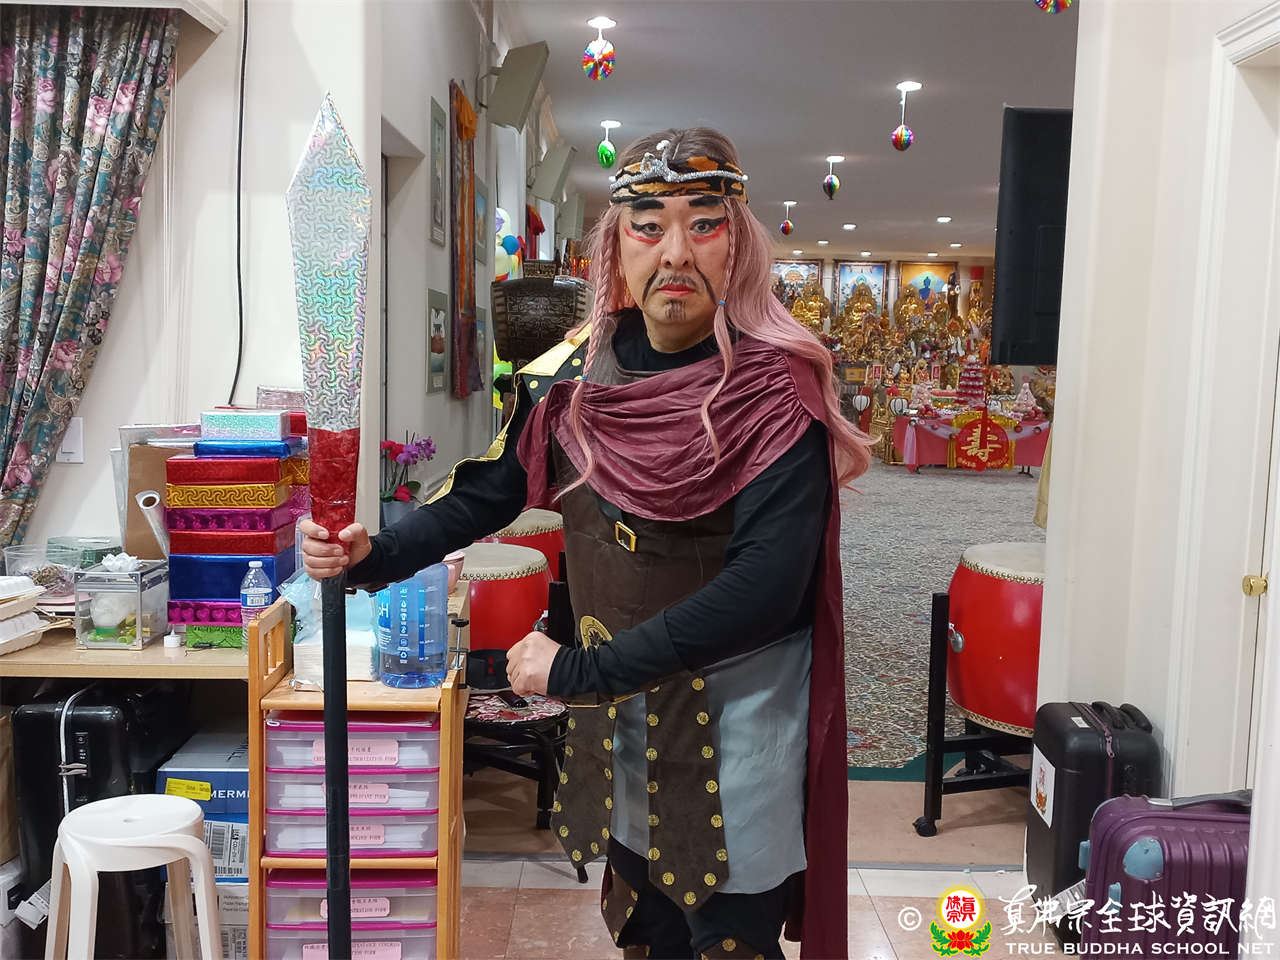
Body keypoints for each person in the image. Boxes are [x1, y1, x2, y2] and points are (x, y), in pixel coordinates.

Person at [301, 128, 872, 960]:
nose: (675, 253)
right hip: (622, 712)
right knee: (644, 923)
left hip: (739, 716)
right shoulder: (572, 377)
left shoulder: (775, 391)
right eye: (649, 225)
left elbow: (764, 590)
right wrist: (375, 556)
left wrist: (573, 673)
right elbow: (487, 493)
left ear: (738, 244)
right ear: (617, 244)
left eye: (703, 223)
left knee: (728, 935)